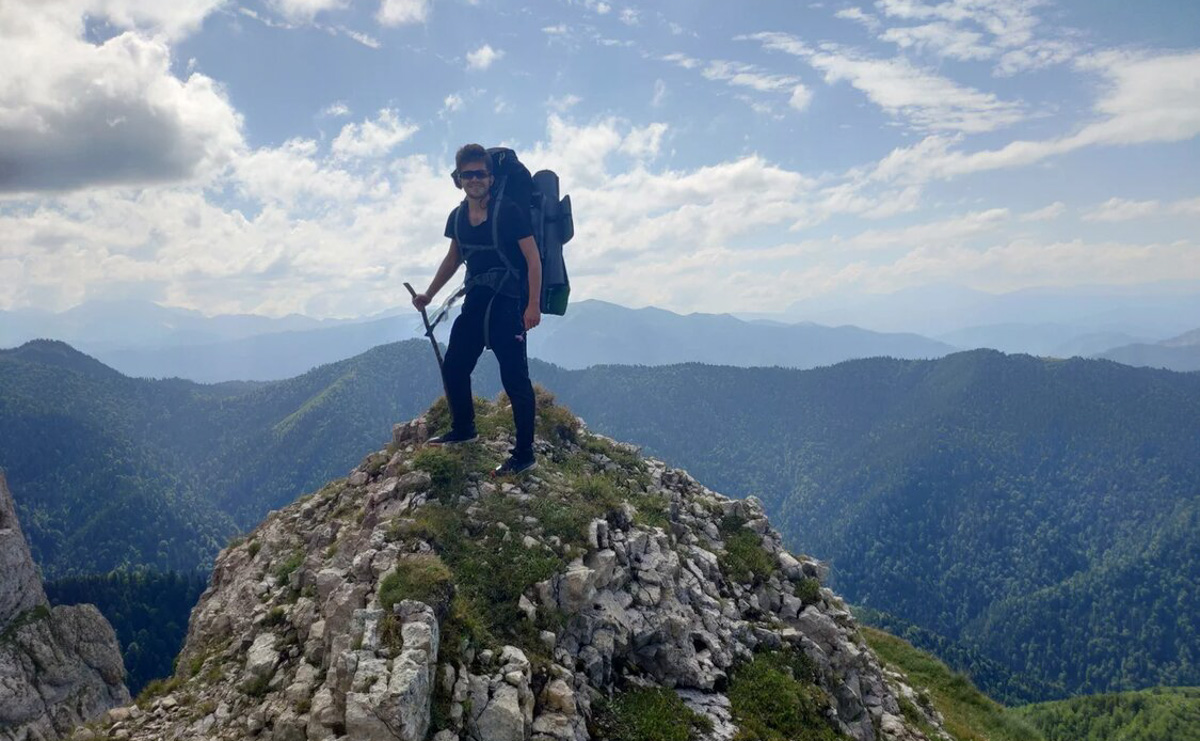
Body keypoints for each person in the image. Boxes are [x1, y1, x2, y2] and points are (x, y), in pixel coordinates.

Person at [412, 143, 542, 475]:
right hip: (476, 301)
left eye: (480, 173)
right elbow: (454, 258)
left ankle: (524, 454)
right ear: (458, 179)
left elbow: (532, 259)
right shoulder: (458, 217)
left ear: (491, 177)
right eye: (467, 174)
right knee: (454, 366)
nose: (474, 180)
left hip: (509, 302)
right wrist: (429, 293)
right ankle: (464, 429)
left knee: (515, 380)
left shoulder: (510, 211)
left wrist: (532, 305)